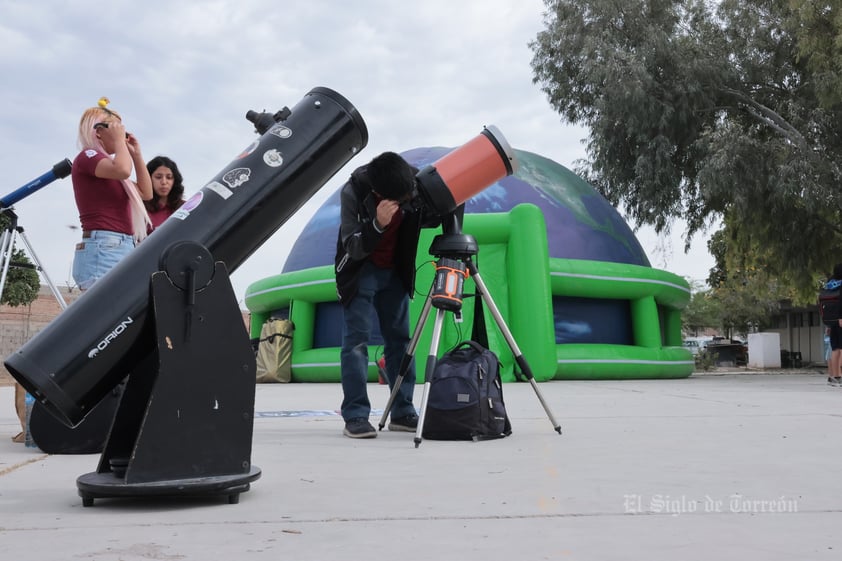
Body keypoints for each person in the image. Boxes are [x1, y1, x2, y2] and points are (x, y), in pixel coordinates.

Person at [334, 151, 437, 438]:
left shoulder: (410, 181)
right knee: (355, 344)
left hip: (395, 270)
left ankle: (403, 411)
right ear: (381, 193)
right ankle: (355, 416)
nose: (407, 201)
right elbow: (352, 247)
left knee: (400, 341)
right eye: (400, 200)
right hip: (361, 269)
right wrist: (377, 224)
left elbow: (426, 215)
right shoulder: (353, 192)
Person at [71, 97, 152, 290]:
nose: (121, 134)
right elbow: (123, 170)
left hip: (120, 246)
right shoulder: (87, 157)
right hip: (104, 247)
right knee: (106, 315)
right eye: (115, 128)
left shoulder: (109, 171)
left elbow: (146, 192)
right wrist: (119, 142)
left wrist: (137, 154)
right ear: (98, 132)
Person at [145, 155, 185, 231]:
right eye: (158, 177)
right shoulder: (140, 208)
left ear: (175, 180)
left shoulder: (185, 208)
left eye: (169, 177)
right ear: (148, 178)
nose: (164, 182)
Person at [827, 263, 842, 386]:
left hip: (831, 321)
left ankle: (835, 377)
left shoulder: (830, 284)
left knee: (835, 348)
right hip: (841, 319)